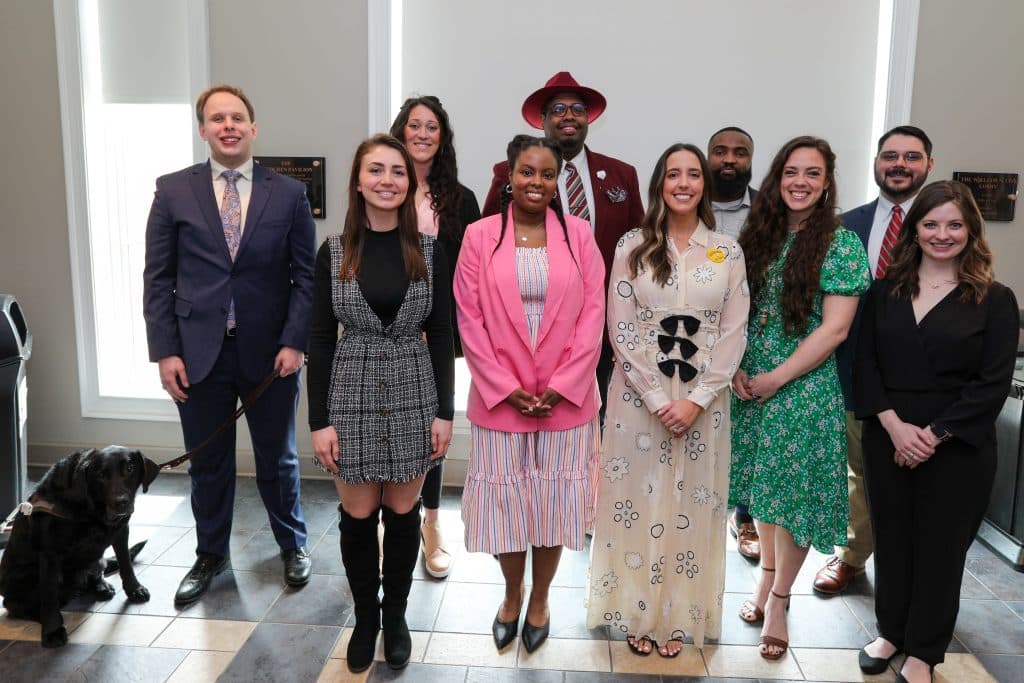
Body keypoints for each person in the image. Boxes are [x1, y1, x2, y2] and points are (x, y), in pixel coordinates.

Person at [143, 84, 315, 605]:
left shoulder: (288, 194)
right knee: (208, 462)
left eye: (237, 117)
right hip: (197, 354)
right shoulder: (172, 190)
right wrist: (165, 352)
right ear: (203, 130)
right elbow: (158, 278)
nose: (228, 126)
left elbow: (306, 279)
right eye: (216, 118)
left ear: (254, 127)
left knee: (277, 459)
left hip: (270, 355)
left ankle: (292, 545)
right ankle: (210, 554)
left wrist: (294, 342)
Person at [586, 144, 749, 656]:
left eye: (693, 174)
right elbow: (622, 327)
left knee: (693, 504)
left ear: (703, 184)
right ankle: (637, 609)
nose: (684, 182)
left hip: (705, 400)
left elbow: (733, 330)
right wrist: (658, 398)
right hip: (639, 399)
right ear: (659, 183)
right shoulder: (632, 246)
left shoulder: (727, 251)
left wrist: (698, 398)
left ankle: (679, 614)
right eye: (673, 174)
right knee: (638, 501)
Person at [854, 181, 1018, 683]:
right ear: (914, 229)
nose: (941, 235)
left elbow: (992, 385)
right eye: (931, 224)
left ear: (971, 230)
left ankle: (924, 651)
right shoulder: (882, 292)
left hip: (958, 447)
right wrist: (895, 428)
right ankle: (891, 632)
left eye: (953, 225)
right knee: (894, 538)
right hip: (889, 436)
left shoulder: (995, 300)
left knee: (941, 551)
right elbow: (864, 366)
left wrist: (933, 435)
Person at [306, 134, 454, 672]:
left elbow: (442, 336)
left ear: (409, 181)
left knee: (403, 511)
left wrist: (445, 411)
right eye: (376, 170)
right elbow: (319, 339)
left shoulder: (433, 251)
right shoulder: (335, 251)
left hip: (415, 391)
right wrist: (318, 421)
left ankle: (396, 616)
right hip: (351, 393)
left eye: (397, 171)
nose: (388, 179)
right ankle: (366, 618)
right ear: (359, 179)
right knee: (359, 515)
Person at [456, 135, 605, 654]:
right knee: (507, 507)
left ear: (558, 180)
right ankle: (511, 594)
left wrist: (563, 386)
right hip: (502, 404)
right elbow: (468, 320)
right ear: (509, 176)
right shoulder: (479, 237)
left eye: (546, 174)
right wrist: (507, 388)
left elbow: (593, 316)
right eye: (526, 172)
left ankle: (540, 598)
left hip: (567, 405)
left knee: (552, 506)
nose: (536, 182)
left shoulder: (580, 236)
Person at [729, 136, 870, 660]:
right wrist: (741, 366)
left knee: (796, 499)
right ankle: (764, 579)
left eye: (813, 173)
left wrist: (777, 377)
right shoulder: (758, 236)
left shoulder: (841, 243)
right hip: (750, 382)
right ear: (776, 177)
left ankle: (780, 601)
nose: (801, 182)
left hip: (804, 388)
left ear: (828, 182)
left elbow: (834, 330)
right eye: (792, 171)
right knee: (763, 491)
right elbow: (735, 309)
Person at [812, 126, 936, 595]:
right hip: (854, 372)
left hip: (924, 381)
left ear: (929, 163)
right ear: (876, 162)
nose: (899, 164)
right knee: (859, 473)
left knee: (919, 474)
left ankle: (913, 571)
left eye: (911, 156)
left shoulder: (944, 222)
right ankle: (852, 557)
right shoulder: (846, 226)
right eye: (890, 156)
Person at [481, 71, 643, 422]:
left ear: (588, 119)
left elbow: (639, 253)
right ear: (542, 120)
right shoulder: (508, 174)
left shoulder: (621, 175)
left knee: (599, 424)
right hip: (531, 327)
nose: (569, 116)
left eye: (577, 109)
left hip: (605, 326)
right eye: (558, 109)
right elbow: (487, 246)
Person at [389, 95, 481, 579]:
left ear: (441, 138)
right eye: (414, 125)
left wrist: (438, 331)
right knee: (387, 424)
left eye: (432, 127)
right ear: (400, 132)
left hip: (436, 335)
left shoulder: (461, 200)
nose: (422, 134)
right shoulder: (381, 187)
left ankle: (430, 523)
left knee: (433, 428)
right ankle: (392, 520)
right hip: (384, 334)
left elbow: (471, 275)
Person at [707, 125, 761, 562]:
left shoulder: (769, 211)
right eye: (721, 151)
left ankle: (743, 516)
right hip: (690, 337)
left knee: (746, 431)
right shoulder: (683, 202)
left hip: (753, 334)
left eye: (739, 153)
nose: (729, 159)